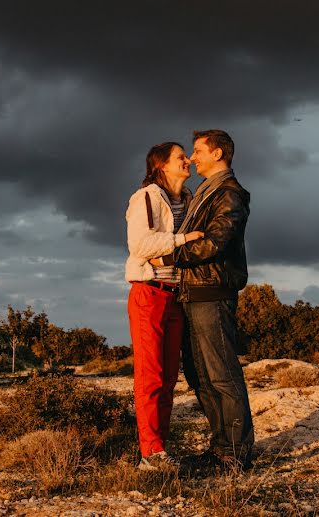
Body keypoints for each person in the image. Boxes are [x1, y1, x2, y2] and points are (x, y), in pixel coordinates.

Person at [152, 129, 254, 469]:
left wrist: (169, 257)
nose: (193, 158)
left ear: (218, 154)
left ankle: (237, 455)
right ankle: (221, 448)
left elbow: (216, 242)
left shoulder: (229, 194)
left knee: (222, 373)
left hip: (212, 293)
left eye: (198, 151)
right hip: (193, 293)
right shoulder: (205, 193)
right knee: (201, 376)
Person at [125, 142, 204, 471]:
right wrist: (183, 241)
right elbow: (140, 245)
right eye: (180, 157)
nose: (188, 161)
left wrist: (169, 250)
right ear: (161, 165)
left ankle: (160, 451)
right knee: (151, 376)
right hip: (149, 291)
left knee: (169, 377)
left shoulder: (188, 200)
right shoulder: (145, 197)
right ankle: (150, 455)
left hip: (177, 294)